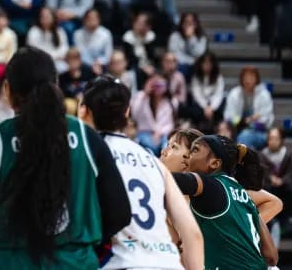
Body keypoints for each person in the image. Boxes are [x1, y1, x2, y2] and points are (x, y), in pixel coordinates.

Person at [0, 47, 131, 269]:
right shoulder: (88, 139)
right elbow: (120, 214)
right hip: (75, 262)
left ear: (7, 90)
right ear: (56, 84)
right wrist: (82, 242)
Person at [80, 77, 204, 270]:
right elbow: (193, 234)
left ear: (83, 111)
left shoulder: (87, 153)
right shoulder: (153, 161)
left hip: (122, 263)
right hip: (168, 263)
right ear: (127, 112)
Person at [171, 136, 279, 269]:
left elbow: (177, 181)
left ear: (214, 163)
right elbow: (271, 256)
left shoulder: (210, 186)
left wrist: (151, 169)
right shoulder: (246, 198)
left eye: (195, 150)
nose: (187, 155)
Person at [223, 66, 275, 150]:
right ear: (241, 79)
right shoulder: (234, 93)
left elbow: (266, 121)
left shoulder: (264, 95)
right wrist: (244, 121)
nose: (248, 80)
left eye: (251, 77)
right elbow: (228, 117)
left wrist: (251, 123)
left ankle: (242, 157)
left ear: (257, 79)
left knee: (245, 136)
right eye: (245, 77)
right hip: (236, 130)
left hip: (260, 132)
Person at [129, 75, 175, 155]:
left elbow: (170, 124)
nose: (158, 88)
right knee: (148, 144)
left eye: (161, 85)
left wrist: (159, 133)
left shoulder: (168, 103)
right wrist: (145, 93)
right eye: (155, 85)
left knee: (166, 144)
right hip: (144, 132)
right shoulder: (142, 96)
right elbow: (134, 114)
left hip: (161, 134)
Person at [261, 127, 292, 228]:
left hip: (283, 186)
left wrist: (282, 180)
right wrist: (270, 178)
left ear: (281, 140)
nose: (273, 141)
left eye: (276, 138)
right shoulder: (262, 155)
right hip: (268, 186)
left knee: (289, 190)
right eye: (271, 138)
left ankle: (287, 219)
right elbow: (262, 171)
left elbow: (290, 173)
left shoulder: (287, 155)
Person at [188, 52, 226, 131]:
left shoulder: (218, 78)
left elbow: (218, 95)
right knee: (194, 110)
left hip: (214, 105)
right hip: (201, 105)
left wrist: (212, 107)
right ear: (200, 64)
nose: (207, 65)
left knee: (222, 105)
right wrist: (205, 107)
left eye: (209, 63)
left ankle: (217, 129)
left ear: (213, 64)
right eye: (205, 63)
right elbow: (197, 95)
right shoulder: (196, 78)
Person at [26, 7, 69, 73]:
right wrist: (48, 57)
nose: (45, 18)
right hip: (39, 62)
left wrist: (53, 57)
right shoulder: (33, 31)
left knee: (64, 68)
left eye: (47, 16)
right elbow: (33, 50)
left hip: (57, 61)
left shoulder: (59, 30)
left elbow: (64, 48)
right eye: (42, 16)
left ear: (53, 17)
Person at [73, 8, 112, 74]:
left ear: (99, 20)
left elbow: (108, 55)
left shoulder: (106, 33)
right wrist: (92, 65)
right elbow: (81, 54)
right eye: (89, 18)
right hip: (84, 65)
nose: (92, 21)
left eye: (95, 18)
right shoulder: (78, 34)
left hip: (101, 65)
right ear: (84, 20)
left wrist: (98, 62)